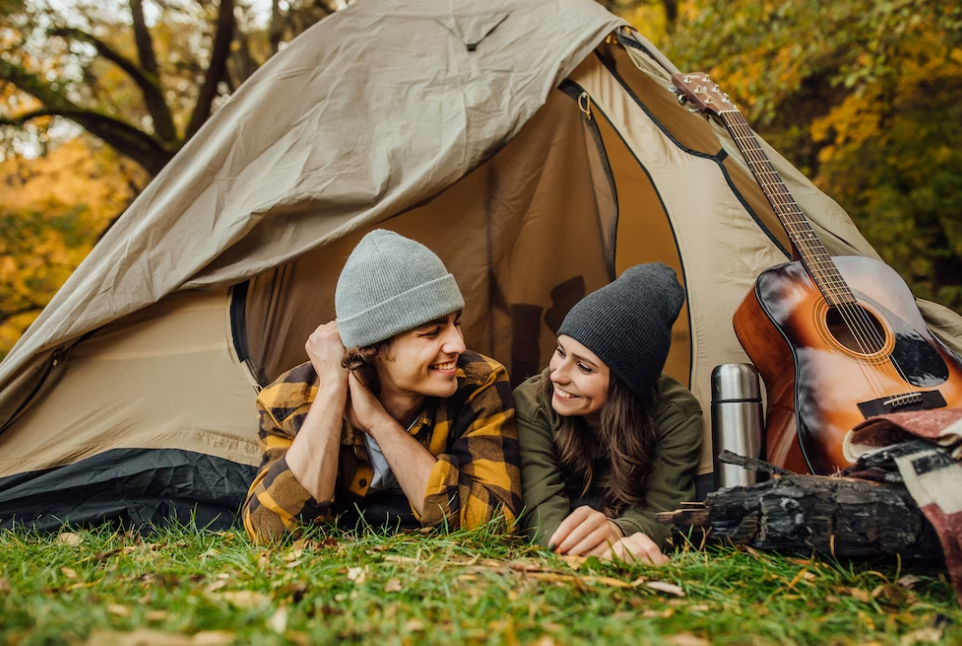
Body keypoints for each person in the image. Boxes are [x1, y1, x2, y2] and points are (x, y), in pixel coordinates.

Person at [243, 230, 521, 543]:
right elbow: (271, 531)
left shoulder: (479, 383)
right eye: (431, 332)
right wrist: (333, 388)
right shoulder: (289, 399)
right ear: (372, 348)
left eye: (456, 322)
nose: (458, 343)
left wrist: (379, 423)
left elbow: (496, 525)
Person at [515, 263, 703, 564]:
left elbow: (667, 511)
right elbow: (542, 519)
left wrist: (617, 531)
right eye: (560, 351)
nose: (557, 375)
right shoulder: (532, 402)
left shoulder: (676, 413)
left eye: (584, 366)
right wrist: (578, 546)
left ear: (624, 384)